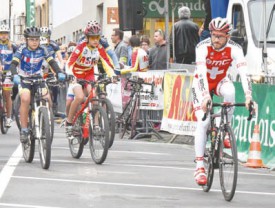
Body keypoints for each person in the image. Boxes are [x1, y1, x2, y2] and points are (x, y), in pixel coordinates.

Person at [191, 17, 253, 186]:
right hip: (200, 83)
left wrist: (248, 96)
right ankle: (199, 167)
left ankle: (223, 128)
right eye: (213, 35)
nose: (216, 39)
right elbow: (202, 72)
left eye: (220, 36)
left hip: (219, 81)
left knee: (231, 91)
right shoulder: (202, 47)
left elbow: (244, 73)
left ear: (228, 36)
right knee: (203, 124)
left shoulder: (235, 49)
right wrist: (205, 95)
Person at [9, 26, 65, 143]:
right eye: (32, 39)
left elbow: (52, 62)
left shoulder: (43, 49)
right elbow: (13, 64)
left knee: (47, 98)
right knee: (25, 98)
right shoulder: (22, 50)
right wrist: (15, 75)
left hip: (38, 79)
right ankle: (24, 129)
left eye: (37, 39)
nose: (34, 42)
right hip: (24, 79)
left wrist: (59, 72)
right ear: (26, 40)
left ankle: (45, 121)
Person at [65, 20, 116, 139]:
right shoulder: (81, 47)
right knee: (79, 97)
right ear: (87, 37)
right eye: (92, 37)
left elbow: (107, 63)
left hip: (88, 75)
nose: (95, 40)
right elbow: (69, 63)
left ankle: (96, 125)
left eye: (97, 37)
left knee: (95, 99)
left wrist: (113, 74)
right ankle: (69, 122)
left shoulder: (99, 48)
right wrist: (70, 74)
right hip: (76, 75)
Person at [40, 27, 65, 115]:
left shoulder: (53, 44)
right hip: (40, 67)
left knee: (55, 85)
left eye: (46, 36)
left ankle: (54, 103)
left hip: (51, 66)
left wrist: (61, 68)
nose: (44, 38)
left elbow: (60, 58)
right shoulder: (37, 44)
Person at [0, 24, 17, 128]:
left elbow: (20, 56)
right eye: (1, 33)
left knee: (7, 94)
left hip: (8, 72)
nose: (3, 36)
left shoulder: (12, 45)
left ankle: (8, 117)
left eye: (5, 33)